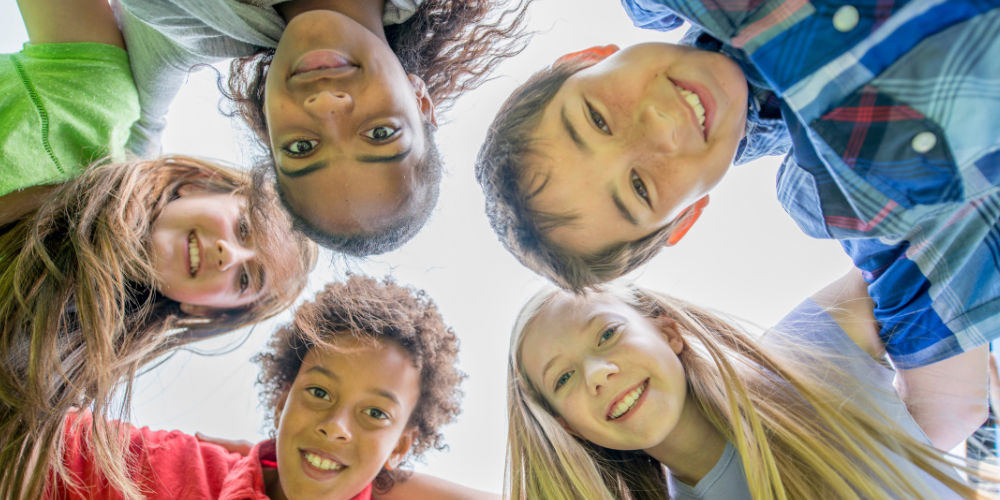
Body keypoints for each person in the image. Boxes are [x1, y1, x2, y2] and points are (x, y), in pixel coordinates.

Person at [476, 4, 1000, 450]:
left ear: (584, 59)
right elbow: (952, 407)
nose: (660, 124)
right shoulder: (839, 199)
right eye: (640, 188)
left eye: (595, 118)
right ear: (683, 219)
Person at [506, 270, 998, 500]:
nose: (597, 374)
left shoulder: (795, 358)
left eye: (608, 334)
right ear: (571, 428)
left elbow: (916, 264)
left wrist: (943, 415)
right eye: (564, 377)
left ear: (667, 331)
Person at [0, 156, 319, 500]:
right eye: (243, 228)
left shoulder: (74, 361)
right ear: (198, 185)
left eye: (244, 279)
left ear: (200, 306)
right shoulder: (68, 168)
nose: (230, 256)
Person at [113, 0, 532, 256]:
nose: (327, 105)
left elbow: (131, 139)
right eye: (381, 133)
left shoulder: (184, 19)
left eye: (301, 147)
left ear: (269, 133)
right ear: (420, 99)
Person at [47, 275, 494, 500]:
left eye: (375, 413)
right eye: (319, 393)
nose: (336, 426)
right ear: (284, 399)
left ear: (402, 445)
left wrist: (386, 480)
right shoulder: (176, 469)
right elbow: (36, 435)